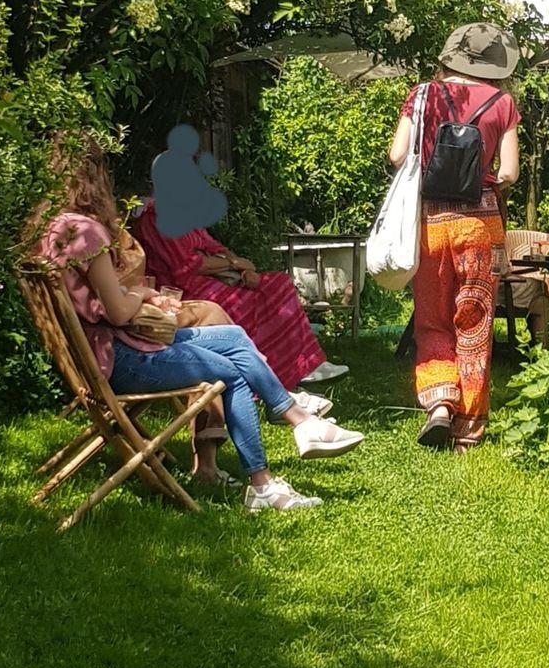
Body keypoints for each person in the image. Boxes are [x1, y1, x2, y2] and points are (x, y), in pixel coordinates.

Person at [29, 136, 362, 514]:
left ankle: (297, 419)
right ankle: (264, 483)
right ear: (95, 176)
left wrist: (138, 295)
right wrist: (141, 295)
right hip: (118, 359)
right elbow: (119, 313)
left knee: (233, 336)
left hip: (94, 358)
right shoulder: (86, 231)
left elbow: (95, 296)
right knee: (231, 370)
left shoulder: (50, 230)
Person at [385, 21, 521, 450]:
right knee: (474, 321)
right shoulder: (503, 102)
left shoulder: (422, 94)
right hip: (480, 226)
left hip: (430, 222)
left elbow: (397, 155)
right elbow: (509, 173)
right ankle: (469, 430)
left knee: (432, 318)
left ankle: (440, 403)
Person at [130, 186, 342, 397]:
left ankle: (304, 365)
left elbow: (212, 245)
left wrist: (241, 266)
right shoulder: (157, 217)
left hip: (212, 277)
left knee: (279, 285)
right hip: (187, 289)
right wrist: (234, 265)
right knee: (247, 303)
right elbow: (187, 265)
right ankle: (276, 379)